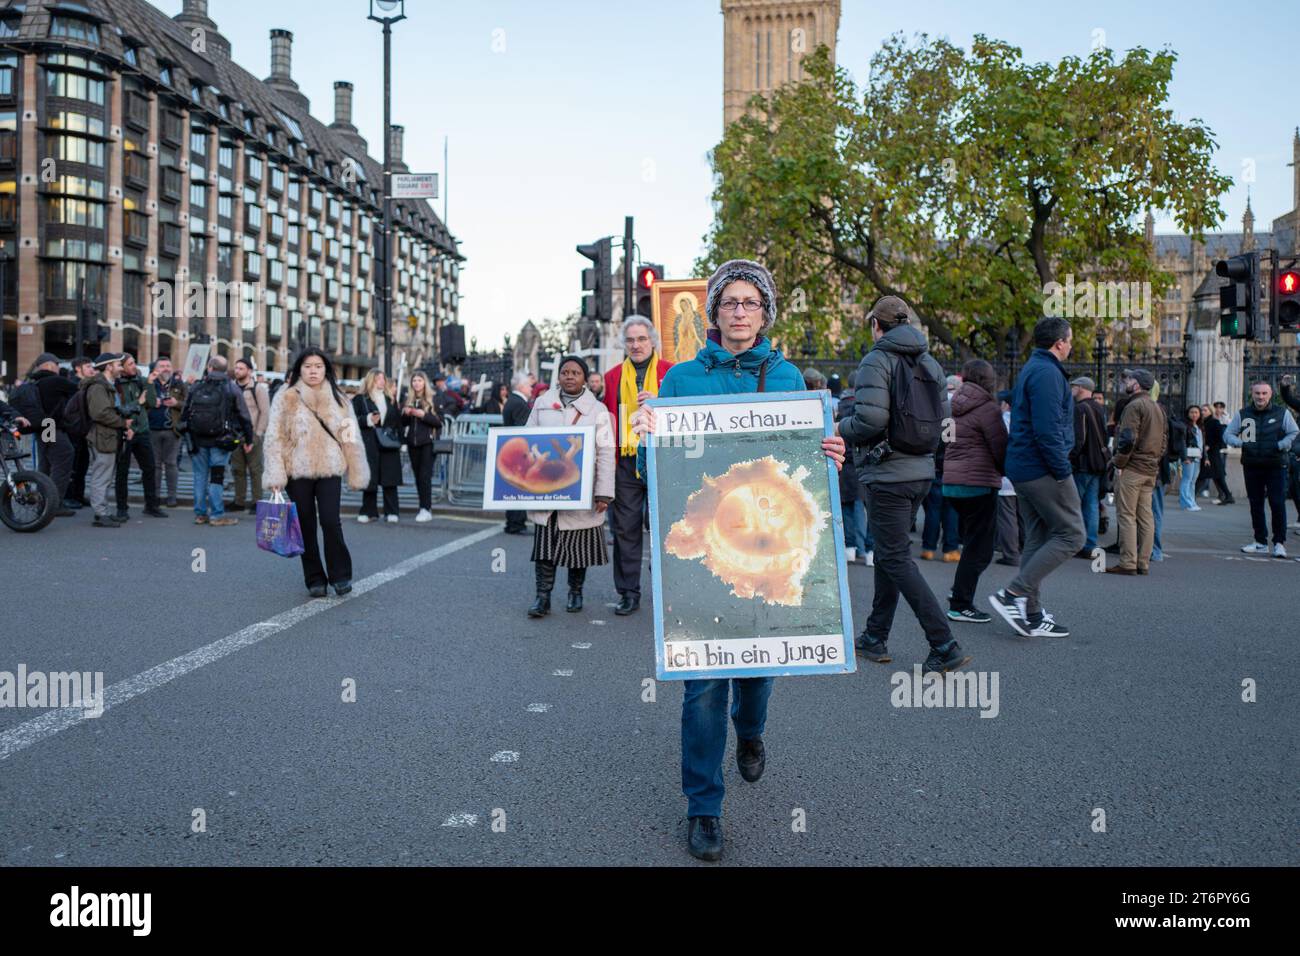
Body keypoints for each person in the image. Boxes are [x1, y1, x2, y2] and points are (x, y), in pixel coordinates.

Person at [631, 257, 847, 864]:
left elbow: (805, 468)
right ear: (713, 312)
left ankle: (750, 731)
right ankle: (704, 807)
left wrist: (829, 452)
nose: (740, 312)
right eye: (730, 302)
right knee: (702, 687)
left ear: (765, 313)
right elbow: (656, 471)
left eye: (751, 303)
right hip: (704, 554)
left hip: (768, 552)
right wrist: (649, 442)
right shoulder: (679, 382)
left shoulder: (788, 379)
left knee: (755, 673)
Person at [839, 294, 972, 669]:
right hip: (922, 472)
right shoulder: (930, 363)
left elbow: (868, 422)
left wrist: (837, 427)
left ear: (876, 326)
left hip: (887, 473)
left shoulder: (876, 360)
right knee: (888, 553)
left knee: (895, 557)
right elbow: (943, 420)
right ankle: (874, 636)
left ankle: (944, 643)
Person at [988, 316, 1084, 637]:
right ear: (1059, 343)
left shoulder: (1034, 368)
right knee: (1073, 535)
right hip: (1043, 468)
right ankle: (1012, 594)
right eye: (1070, 341)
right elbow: (1047, 430)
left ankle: (1030, 614)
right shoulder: (1046, 373)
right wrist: (1061, 470)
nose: (1071, 346)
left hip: (1026, 467)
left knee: (1038, 538)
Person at [263, 347, 370, 597]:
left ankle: (340, 575)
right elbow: (274, 437)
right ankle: (314, 578)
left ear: (326, 370)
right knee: (306, 525)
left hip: (330, 469)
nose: (313, 371)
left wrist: (356, 470)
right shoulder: (286, 396)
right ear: (300, 368)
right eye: (308, 366)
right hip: (296, 471)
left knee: (331, 522)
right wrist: (276, 474)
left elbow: (349, 438)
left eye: (318, 366)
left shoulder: (339, 398)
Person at [525, 355, 615, 617]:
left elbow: (606, 452)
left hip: (581, 490)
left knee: (579, 546)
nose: (570, 376)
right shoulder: (542, 404)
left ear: (585, 378)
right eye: (565, 372)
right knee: (544, 547)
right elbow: (527, 439)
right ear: (559, 376)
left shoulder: (597, 410)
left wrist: (604, 492)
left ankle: (575, 592)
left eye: (576, 372)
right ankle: (543, 597)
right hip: (547, 489)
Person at [602, 316, 673, 616]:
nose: (636, 344)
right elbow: (607, 419)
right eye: (630, 340)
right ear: (624, 344)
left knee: (665, 529)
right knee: (625, 530)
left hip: (662, 458)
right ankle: (629, 592)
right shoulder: (612, 376)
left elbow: (687, 414)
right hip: (627, 460)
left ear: (652, 340)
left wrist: (661, 401)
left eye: (641, 339)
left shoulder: (671, 372)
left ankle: (668, 590)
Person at [941, 359, 1007, 622]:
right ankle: (961, 603)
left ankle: (960, 591)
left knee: (971, 544)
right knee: (980, 549)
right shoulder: (988, 409)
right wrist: (1005, 471)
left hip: (952, 482)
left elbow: (945, 441)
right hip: (979, 483)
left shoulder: (950, 405)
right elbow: (1000, 447)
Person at [179, 355, 254, 527]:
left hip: (197, 441)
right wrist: (248, 439)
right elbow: (244, 416)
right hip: (221, 441)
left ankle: (200, 514)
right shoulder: (231, 388)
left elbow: (184, 414)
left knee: (199, 476)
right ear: (225, 370)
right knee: (217, 478)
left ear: (210, 368)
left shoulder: (196, 386)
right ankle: (217, 515)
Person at [1105, 369, 1166, 575]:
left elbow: (1127, 439)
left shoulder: (1134, 405)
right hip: (1150, 469)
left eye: (1129, 379)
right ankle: (1143, 562)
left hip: (1133, 468)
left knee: (1127, 515)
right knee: (1146, 517)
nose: (1126, 382)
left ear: (1137, 385)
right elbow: (1164, 441)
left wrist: (1118, 463)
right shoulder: (1157, 407)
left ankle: (1128, 562)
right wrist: (1154, 460)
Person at [1226, 381, 1298, 557]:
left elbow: (1294, 432)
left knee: (1277, 503)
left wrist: (1281, 445)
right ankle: (1260, 541)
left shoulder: (1282, 413)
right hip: (1252, 465)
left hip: (1276, 465)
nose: (1260, 397)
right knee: (1255, 504)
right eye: (1257, 393)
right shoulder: (1243, 414)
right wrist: (1240, 443)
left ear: (1270, 394)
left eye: (1264, 393)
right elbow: (1228, 434)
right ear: (1252, 393)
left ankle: (1279, 543)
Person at [22, 353, 79, 515]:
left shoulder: (35, 382)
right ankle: (54, 503)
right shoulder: (55, 380)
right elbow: (79, 389)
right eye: (57, 364)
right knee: (63, 459)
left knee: (45, 464)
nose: (59, 367)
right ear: (48, 365)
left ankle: (41, 502)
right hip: (52, 426)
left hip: (42, 426)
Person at [81, 352, 132, 528]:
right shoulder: (98, 387)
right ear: (109, 366)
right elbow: (100, 413)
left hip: (109, 436)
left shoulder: (107, 384)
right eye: (118, 364)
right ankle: (100, 513)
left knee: (106, 476)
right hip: (102, 436)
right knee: (101, 476)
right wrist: (123, 422)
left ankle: (104, 511)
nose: (121, 367)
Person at [113, 353, 166, 520]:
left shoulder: (140, 380)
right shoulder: (115, 384)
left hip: (142, 431)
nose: (134, 366)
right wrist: (138, 402)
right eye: (130, 364)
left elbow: (150, 402)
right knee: (122, 472)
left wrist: (150, 382)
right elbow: (119, 409)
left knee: (149, 468)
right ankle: (122, 508)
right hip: (124, 432)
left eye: (134, 362)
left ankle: (151, 506)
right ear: (121, 367)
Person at [353, 368, 404, 523]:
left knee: (390, 479)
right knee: (370, 478)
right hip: (369, 442)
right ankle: (369, 511)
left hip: (388, 443)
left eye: (383, 378)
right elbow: (352, 419)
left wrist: (401, 441)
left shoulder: (391, 399)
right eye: (379, 378)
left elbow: (398, 423)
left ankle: (392, 512)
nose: (382, 381)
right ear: (371, 380)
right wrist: (368, 419)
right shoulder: (360, 399)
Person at [1069, 375, 1110, 556]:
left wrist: (1070, 457)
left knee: (1073, 504)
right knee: (1092, 504)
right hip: (1098, 463)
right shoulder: (1099, 408)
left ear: (1081, 388)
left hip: (1083, 463)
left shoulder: (1080, 409)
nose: (1071, 389)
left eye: (1074, 386)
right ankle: (1090, 543)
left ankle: (1074, 542)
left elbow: (1079, 439)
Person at [836, 369, 873, 566]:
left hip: (845, 464)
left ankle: (850, 548)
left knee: (847, 507)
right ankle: (870, 550)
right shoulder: (866, 406)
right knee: (871, 509)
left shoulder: (838, 407)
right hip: (864, 463)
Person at [228, 358, 270, 513]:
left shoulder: (258, 389)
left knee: (255, 470)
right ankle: (239, 501)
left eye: (241, 368)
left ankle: (257, 502)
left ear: (249, 371)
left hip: (252, 434)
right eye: (236, 367)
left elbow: (265, 412)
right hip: (234, 435)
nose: (237, 370)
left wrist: (258, 434)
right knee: (237, 469)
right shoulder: (231, 387)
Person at [401, 370, 442, 522]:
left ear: (425, 382)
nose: (416, 383)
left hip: (428, 443)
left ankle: (426, 508)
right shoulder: (408, 399)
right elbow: (403, 423)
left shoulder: (433, 399)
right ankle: (423, 506)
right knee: (418, 477)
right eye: (414, 381)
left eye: (419, 380)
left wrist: (423, 415)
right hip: (413, 443)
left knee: (425, 476)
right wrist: (405, 413)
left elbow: (439, 422)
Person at [147, 357, 187, 508]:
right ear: (156, 369)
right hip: (152, 429)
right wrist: (151, 401)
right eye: (162, 366)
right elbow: (140, 402)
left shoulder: (179, 385)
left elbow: (189, 405)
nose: (165, 368)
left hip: (172, 430)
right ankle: (155, 496)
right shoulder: (149, 383)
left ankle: (172, 497)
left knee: (171, 464)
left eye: (168, 366)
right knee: (155, 465)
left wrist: (176, 403)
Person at [502, 370, 536, 535]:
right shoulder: (518, 404)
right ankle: (515, 523)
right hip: (519, 453)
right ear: (522, 386)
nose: (532, 389)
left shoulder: (513, 401)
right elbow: (522, 430)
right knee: (518, 489)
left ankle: (514, 522)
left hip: (513, 451)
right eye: (530, 386)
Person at [65, 356, 96, 507]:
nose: (92, 369)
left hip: (84, 431)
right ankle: (68, 496)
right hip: (74, 431)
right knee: (73, 465)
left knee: (82, 465)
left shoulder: (87, 385)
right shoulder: (72, 385)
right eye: (88, 366)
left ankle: (78, 495)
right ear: (78, 369)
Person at [995, 390, 1020, 566]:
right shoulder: (1025, 420)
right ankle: (1022, 546)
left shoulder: (1003, 420)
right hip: (1024, 474)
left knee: (1007, 516)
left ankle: (1010, 553)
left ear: (1006, 404)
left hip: (1005, 475)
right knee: (1022, 514)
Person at [1179, 405, 1204, 511]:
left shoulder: (1199, 427)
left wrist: (1205, 457)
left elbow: (1202, 443)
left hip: (1197, 457)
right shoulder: (1185, 426)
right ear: (1188, 414)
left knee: (1193, 481)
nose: (1194, 414)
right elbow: (1182, 443)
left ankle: (1192, 501)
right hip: (1189, 457)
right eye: (1192, 412)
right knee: (1186, 479)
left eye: (1196, 412)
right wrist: (1184, 457)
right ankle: (1187, 503)